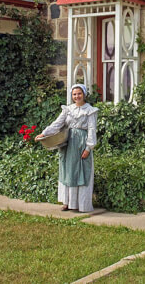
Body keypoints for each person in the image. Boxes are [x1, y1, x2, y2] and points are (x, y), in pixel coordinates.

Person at [35, 84, 97, 212]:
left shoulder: (90, 110)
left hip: (81, 143)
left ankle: (81, 204)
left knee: (81, 172)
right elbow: (57, 124)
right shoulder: (68, 110)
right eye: (74, 94)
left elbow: (92, 129)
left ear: (84, 94)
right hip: (68, 143)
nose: (77, 96)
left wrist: (88, 148)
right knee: (67, 172)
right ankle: (67, 202)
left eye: (79, 93)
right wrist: (44, 133)